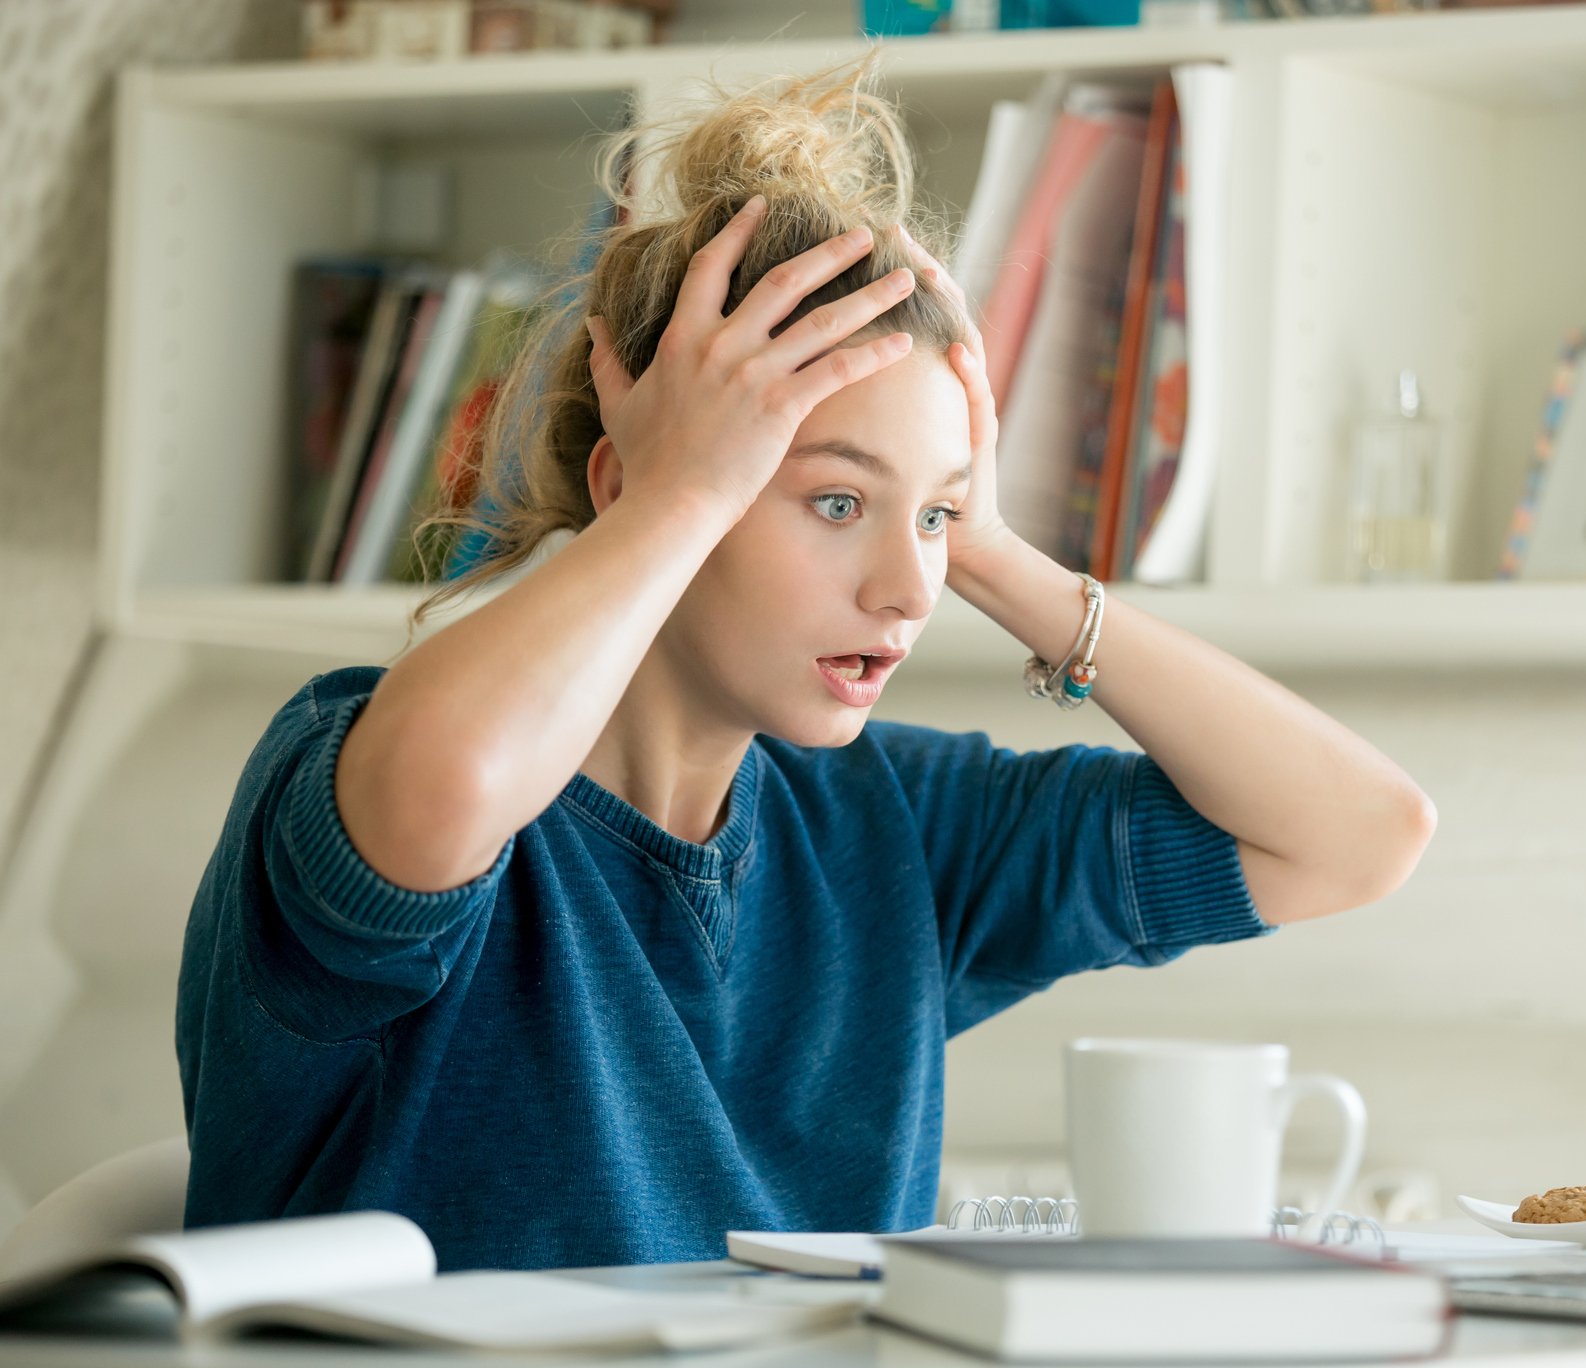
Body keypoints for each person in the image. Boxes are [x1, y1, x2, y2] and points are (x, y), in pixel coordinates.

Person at [174, 54, 1436, 1272]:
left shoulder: (892, 826)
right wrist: (677, 501)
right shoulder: (354, 760)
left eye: (931, 522)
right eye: (836, 504)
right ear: (640, 483)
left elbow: (1356, 833)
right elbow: (446, 790)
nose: (907, 589)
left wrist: (996, 552)